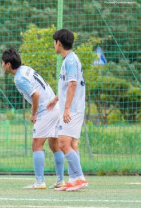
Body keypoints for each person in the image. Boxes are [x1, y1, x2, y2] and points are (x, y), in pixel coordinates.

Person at [1, 48, 65, 189]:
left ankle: (39, 182)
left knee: (37, 144)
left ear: (8, 64)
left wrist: (34, 113)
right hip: (55, 107)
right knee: (54, 144)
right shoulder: (26, 69)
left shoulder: (19, 78)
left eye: (3, 62)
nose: (2, 65)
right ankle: (60, 181)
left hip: (46, 110)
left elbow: (35, 95)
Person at [47, 29, 88, 191]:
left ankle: (81, 178)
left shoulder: (70, 61)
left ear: (58, 43)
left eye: (54, 42)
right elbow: (67, 86)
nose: (54, 45)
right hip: (74, 108)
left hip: (73, 110)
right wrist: (56, 99)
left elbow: (73, 84)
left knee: (63, 143)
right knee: (71, 144)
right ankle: (73, 179)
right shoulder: (69, 60)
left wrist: (66, 109)